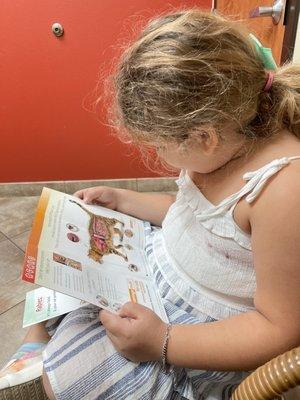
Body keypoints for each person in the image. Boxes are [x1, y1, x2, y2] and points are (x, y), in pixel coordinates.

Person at [1, 8, 300, 400]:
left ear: (203, 137)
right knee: (60, 270)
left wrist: (164, 341)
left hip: (197, 334)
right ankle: (37, 343)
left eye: (160, 146)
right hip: (154, 270)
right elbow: (194, 219)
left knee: (75, 379)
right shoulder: (225, 142)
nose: (157, 153)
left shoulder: (282, 189)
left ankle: (44, 368)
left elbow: (281, 329)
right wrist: (124, 199)